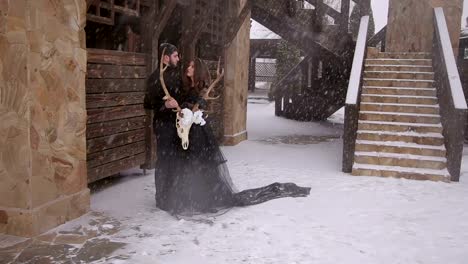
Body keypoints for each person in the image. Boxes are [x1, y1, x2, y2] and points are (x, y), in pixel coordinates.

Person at [151, 57, 311, 215]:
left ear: (197, 71)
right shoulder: (186, 87)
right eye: (189, 66)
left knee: (199, 165)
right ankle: (189, 196)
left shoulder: (200, 90)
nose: (188, 68)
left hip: (197, 133)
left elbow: (197, 109)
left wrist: (190, 108)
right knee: (188, 164)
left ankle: (202, 198)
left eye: (192, 67)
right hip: (188, 132)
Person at [144, 43, 182, 211]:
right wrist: (164, 105)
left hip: (177, 125)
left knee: (175, 160)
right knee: (165, 161)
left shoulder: (176, 75)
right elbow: (147, 103)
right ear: (166, 57)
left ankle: (173, 194)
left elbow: (182, 97)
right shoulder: (154, 78)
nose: (178, 59)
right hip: (163, 126)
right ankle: (162, 198)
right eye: (175, 56)